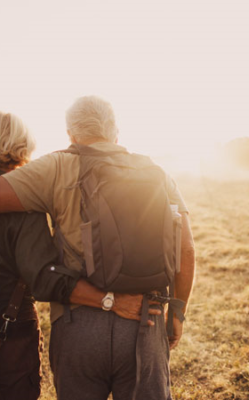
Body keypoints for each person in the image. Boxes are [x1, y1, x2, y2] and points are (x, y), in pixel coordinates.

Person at [0, 97, 196, 400]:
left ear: (71, 134)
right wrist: (177, 315)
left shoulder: (56, 165)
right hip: (146, 318)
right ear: (115, 131)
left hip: (78, 324)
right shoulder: (156, 172)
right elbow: (187, 250)